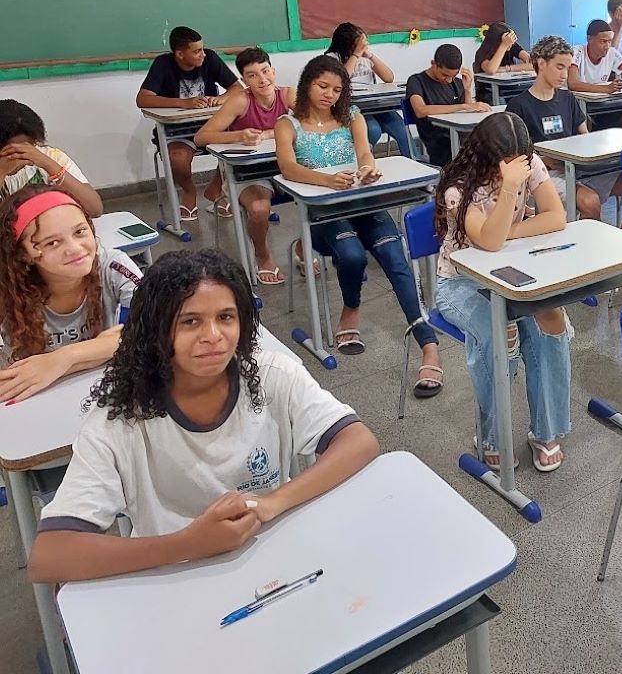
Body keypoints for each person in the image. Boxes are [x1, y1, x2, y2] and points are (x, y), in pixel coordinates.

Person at [26, 248, 380, 583]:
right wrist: (188, 544)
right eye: (190, 321)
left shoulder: (271, 374)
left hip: (274, 556)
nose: (213, 337)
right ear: (156, 331)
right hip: (172, 572)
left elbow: (359, 441)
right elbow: (49, 555)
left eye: (225, 317)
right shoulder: (119, 419)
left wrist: (274, 501)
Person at [274, 56, 445, 397]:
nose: (329, 95)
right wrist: (325, 180)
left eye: (337, 89)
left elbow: (365, 153)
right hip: (324, 211)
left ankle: (428, 342)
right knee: (351, 255)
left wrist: (368, 168)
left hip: (361, 201)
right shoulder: (288, 124)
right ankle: (351, 308)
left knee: (396, 259)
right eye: (323, 86)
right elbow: (288, 168)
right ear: (308, 83)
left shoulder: (352, 116)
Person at [433, 112, 572, 472]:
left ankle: (546, 431)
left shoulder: (529, 164)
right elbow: (488, 241)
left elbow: (555, 218)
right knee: (499, 334)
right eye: (505, 165)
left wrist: (508, 232)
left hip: (511, 272)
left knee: (549, 323)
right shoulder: (458, 187)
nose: (515, 171)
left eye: (519, 164)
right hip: (460, 282)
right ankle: (492, 435)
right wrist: (511, 192)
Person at [0, 185, 141, 404]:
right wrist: (104, 347)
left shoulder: (113, 265)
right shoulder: (7, 287)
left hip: (99, 388)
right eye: (52, 243)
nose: (75, 248)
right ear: (23, 254)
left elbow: (150, 332)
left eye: (79, 232)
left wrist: (62, 359)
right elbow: (126, 339)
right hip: (29, 399)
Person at [194, 47, 298, 285]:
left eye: (265, 71)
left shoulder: (288, 95)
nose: (262, 79)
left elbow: (312, 124)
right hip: (247, 173)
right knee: (260, 208)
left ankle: (303, 248)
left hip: (284, 167)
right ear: (244, 81)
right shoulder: (240, 100)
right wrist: (238, 135)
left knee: (319, 195)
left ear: (273, 71)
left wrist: (270, 133)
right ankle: (262, 255)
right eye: (252, 75)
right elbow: (201, 137)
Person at [506, 35, 621, 222]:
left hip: (576, 168)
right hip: (543, 173)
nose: (565, 75)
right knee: (589, 202)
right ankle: (589, 248)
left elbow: (585, 136)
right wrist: (543, 159)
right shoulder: (519, 105)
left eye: (567, 68)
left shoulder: (568, 99)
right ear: (541, 63)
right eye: (560, 67)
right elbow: (513, 158)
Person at [135, 26, 242, 221]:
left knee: (237, 146)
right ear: (180, 54)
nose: (203, 55)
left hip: (211, 127)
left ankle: (216, 189)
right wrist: (182, 103)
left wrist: (223, 98)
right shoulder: (163, 64)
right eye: (196, 51)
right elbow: (143, 98)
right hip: (177, 132)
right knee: (178, 158)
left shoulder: (209, 58)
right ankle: (189, 190)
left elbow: (237, 88)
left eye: (202, 49)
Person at [325, 22, 413, 157]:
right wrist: (356, 55)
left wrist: (370, 56)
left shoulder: (365, 58)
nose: (364, 46)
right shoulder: (332, 58)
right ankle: (362, 161)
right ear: (347, 44)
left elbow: (389, 78)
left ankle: (416, 162)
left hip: (374, 105)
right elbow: (340, 81)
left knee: (402, 128)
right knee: (373, 130)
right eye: (360, 44)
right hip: (351, 108)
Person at [0, 101, 102, 215]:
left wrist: (49, 165)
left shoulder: (48, 155)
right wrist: (1, 171)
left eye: (30, 146)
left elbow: (95, 209)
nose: (23, 156)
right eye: (13, 151)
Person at [406, 43, 490, 167]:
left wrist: (467, 90)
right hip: (436, 138)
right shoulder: (416, 81)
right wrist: (462, 106)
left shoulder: (456, 83)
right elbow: (420, 110)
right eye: (444, 75)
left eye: (453, 76)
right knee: (465, 156)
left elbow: (467, 115)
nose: (449, 80)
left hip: (458, 135)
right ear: (433, 64)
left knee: (488, 144)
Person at [568, 19, 622, 94]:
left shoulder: (612, 52)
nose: (607, 46)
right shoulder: (577, 52)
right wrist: (606, 88)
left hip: (600, 101)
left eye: (609, 41)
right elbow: (572, 83)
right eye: (603, 41)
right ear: (589, 39)